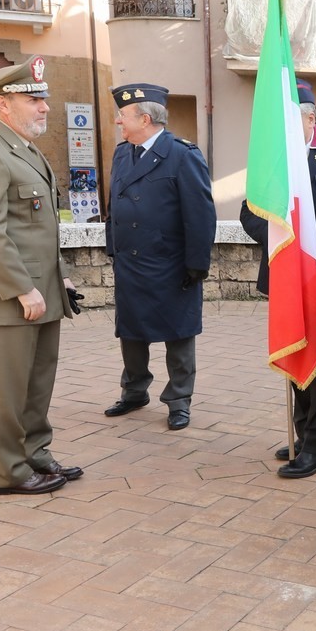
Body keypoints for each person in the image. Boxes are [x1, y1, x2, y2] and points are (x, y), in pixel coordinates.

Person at [0, 56, 80, 496]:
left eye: (43, 98)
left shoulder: (25, 151)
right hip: (9, 294)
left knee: (37, 382)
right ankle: (8, 471)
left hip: (40, 290)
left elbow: (39, 230)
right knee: (8, 391)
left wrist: (58, 278)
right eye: (33, 99)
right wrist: (23, 288)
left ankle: (35, 452)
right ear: (3, 104)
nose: (44, 107)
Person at [240, 79, 316, 476]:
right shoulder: (275, 160)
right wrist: (282, 238)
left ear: (310, 118)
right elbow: (249, 212)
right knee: (293, 353)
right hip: (286, 278)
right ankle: (302, 435)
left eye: (288, 123)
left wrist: (307, 238)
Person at [103, 83, 216, 432]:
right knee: (131, 333)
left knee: (178, 335)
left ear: (145, 118)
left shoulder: (183, 155)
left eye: (123, 116)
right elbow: (114, 207)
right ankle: (135, 391)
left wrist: (196, 265)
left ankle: (178, 400)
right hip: (132, 263)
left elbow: (200, 215)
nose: (118, 122)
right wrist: (113, 249)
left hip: (169, 265)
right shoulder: (123, 153)